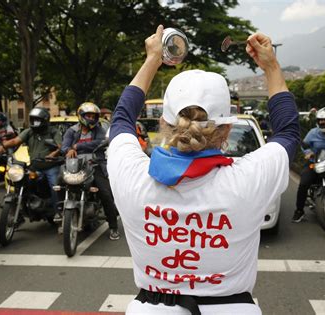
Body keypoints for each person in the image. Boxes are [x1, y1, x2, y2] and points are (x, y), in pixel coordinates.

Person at [107, 26, 299, 314]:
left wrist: (152, 60)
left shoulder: (133, 177)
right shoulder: (247, 179)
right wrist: (270, 65)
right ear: (227, 130)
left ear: (163, 123)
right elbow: (288, 132)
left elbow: (121, 119)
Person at [61, 102, 120, 240]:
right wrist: (68, 150)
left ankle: (113, 227)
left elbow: (100, 142)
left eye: (94, 116)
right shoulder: (72, 131)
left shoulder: (98, 130)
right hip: (75, 166)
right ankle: (59, 213)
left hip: (95, 165)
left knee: (105, 193)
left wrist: (77, 146)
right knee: (59, 184)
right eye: (88, 115)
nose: (91, 118)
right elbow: (64, 146)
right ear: (81, 116)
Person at [0, 107, 62, 218]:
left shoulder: (53, 132)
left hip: (50, 166)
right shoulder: (29, 132)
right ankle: (20, 210)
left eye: (37, 120)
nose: (34, 122)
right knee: (21, 182)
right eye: (33, 119)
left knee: (55, 186)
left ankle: (59, 213)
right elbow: (15, 141)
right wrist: (2, 146)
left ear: (44, 120)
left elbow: (60, 147)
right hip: (35, 166)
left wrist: (53, 154)